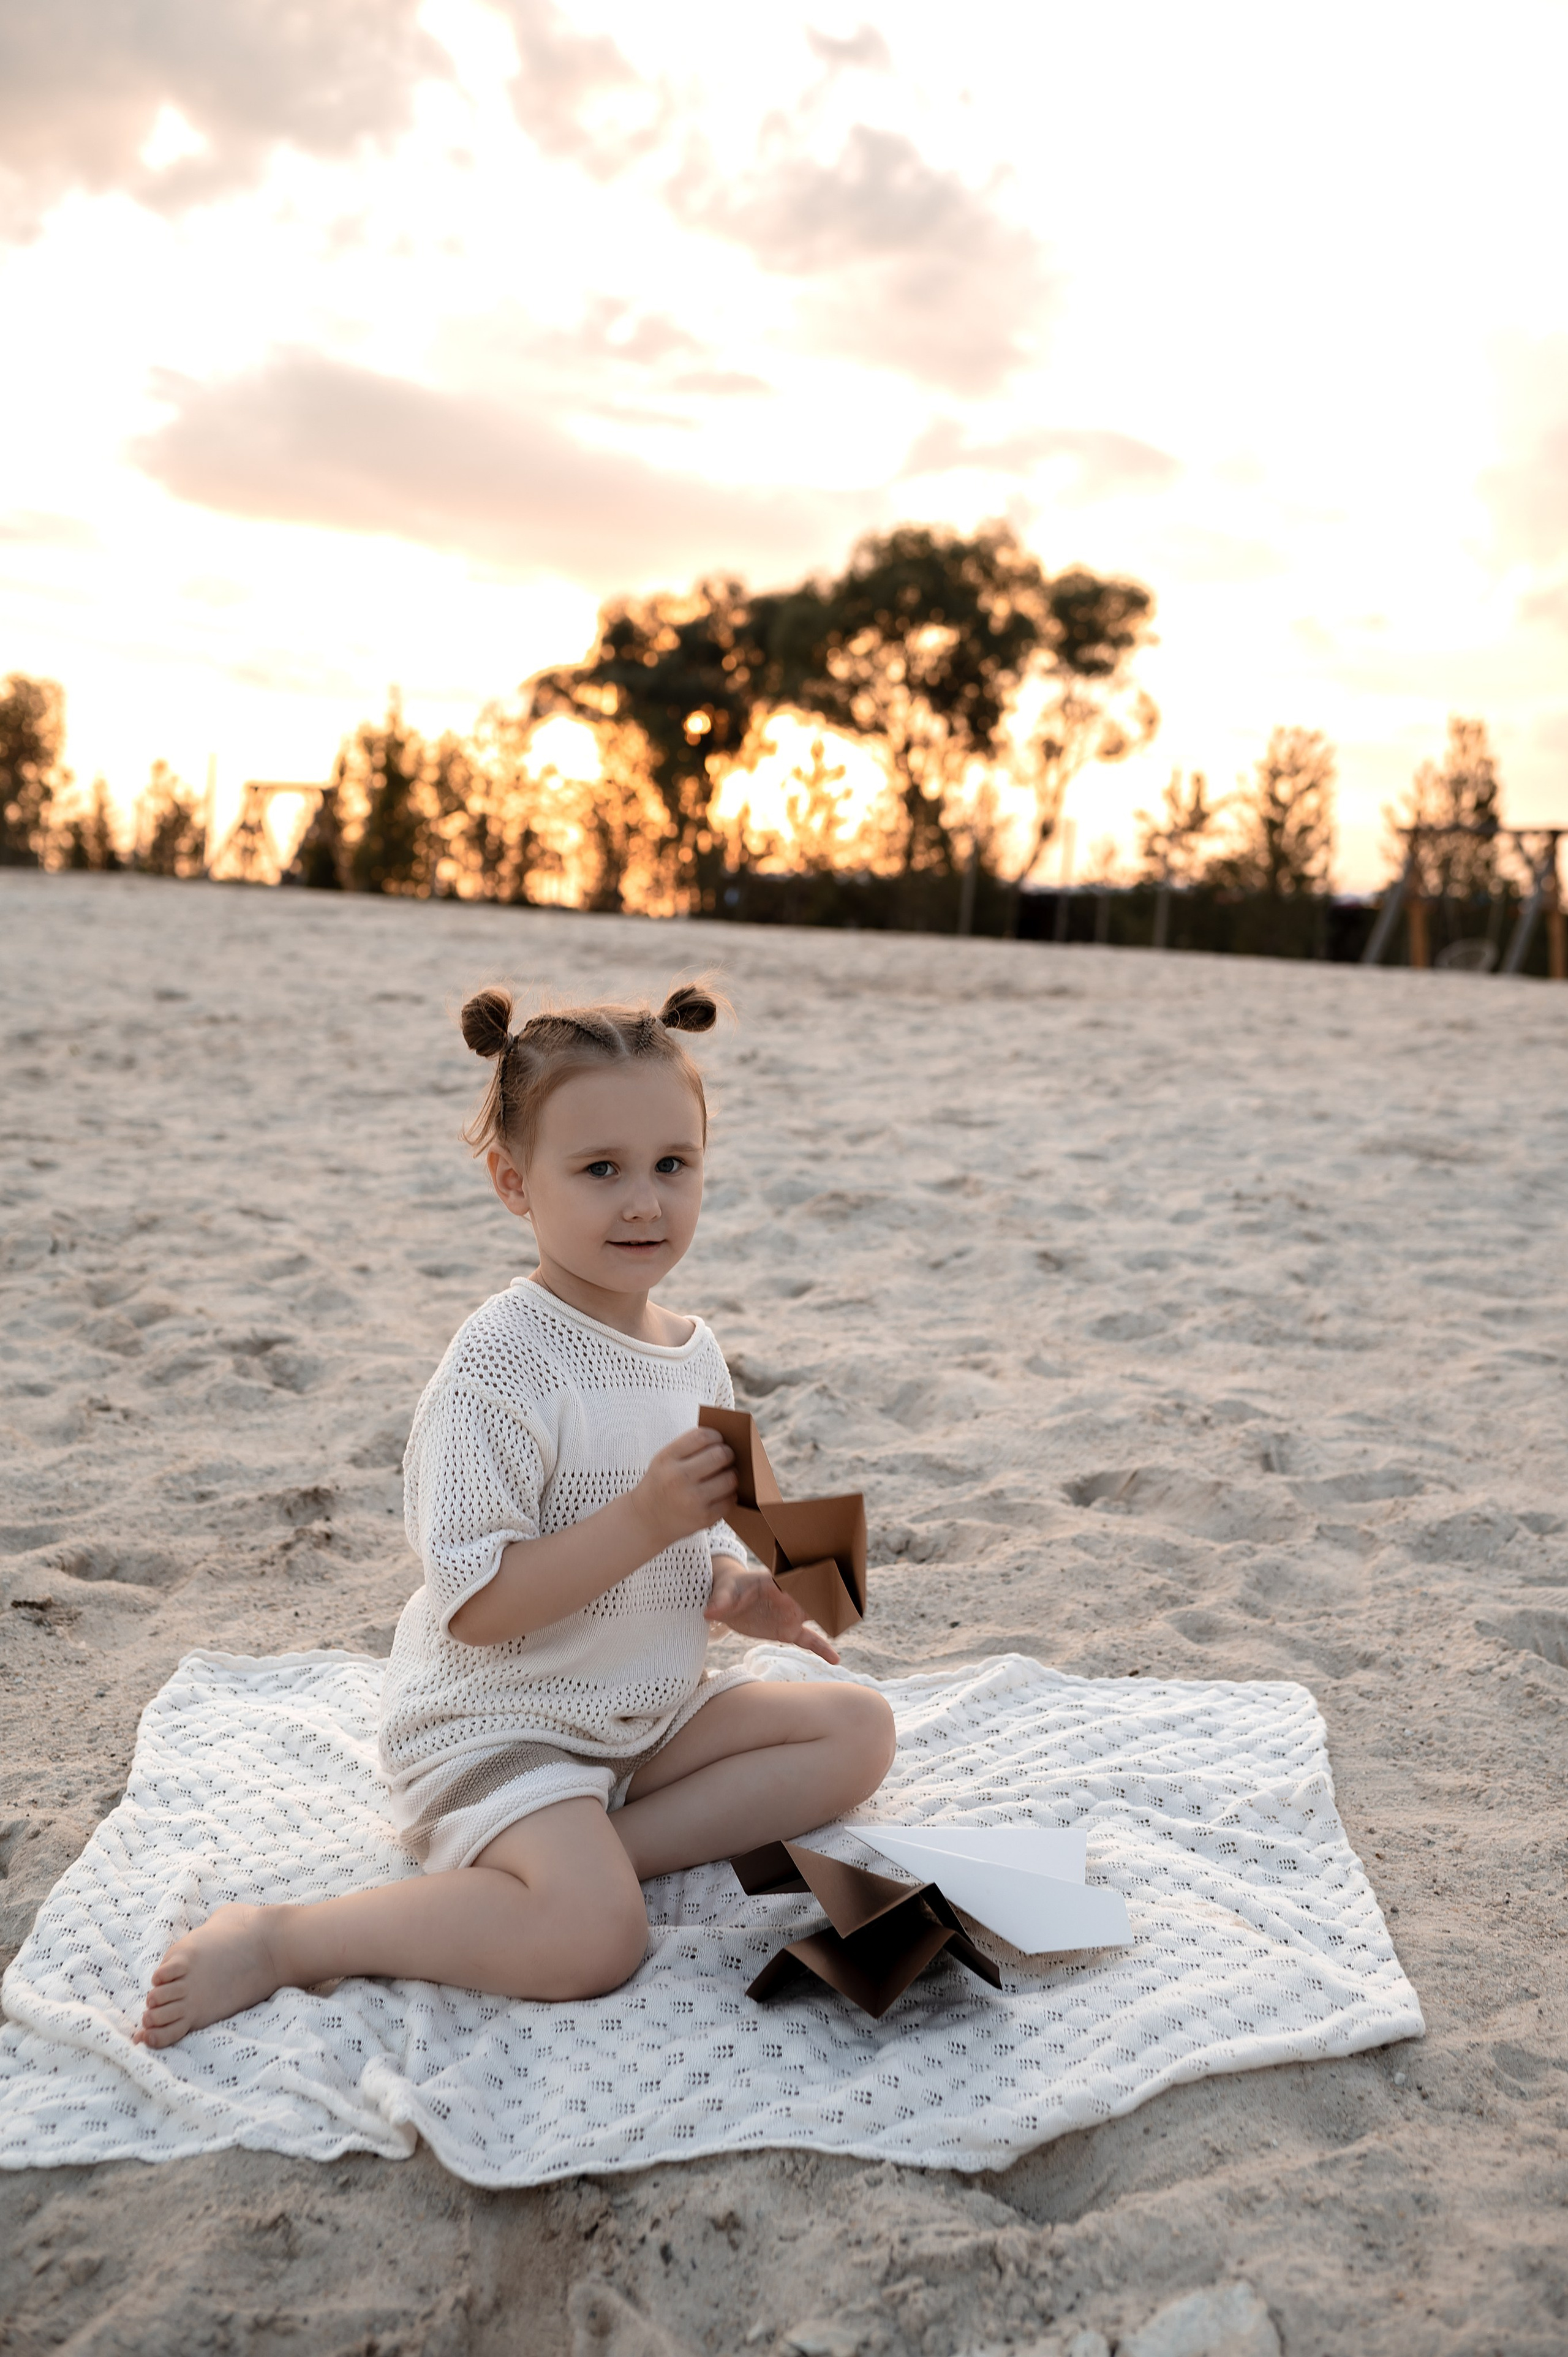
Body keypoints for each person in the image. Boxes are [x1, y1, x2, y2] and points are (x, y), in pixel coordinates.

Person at [136, 981, 895, 2046]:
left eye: (673, 1165)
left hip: (641, 1717)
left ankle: (590, 1855)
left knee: (858, 1729)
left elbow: (715, 1535)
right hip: (505, 1727)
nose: (645, 1203)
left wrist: (738, 1588)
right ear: (514, 1183)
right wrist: (642, 1521)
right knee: (594, 1941)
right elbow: (478, 1607)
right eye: (601, 1171)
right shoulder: (499, 1364)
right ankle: (287, 1939)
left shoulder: (696, 1351)